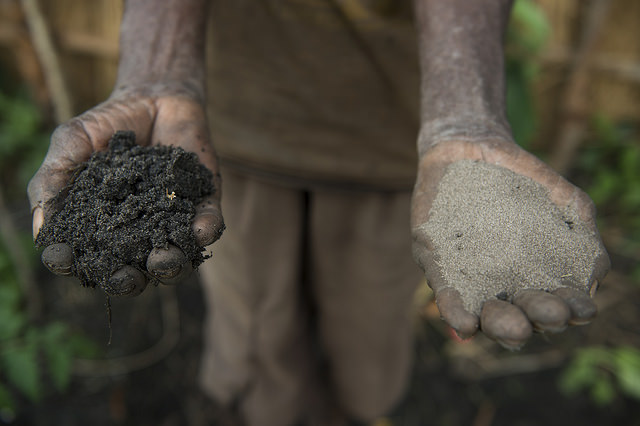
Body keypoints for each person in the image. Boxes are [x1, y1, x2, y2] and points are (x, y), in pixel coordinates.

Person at [28, 1, 610, 424]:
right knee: (258, 329)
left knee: (366, 330)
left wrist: (465, 114)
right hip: (228, 134)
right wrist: (156, 72)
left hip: (399, 149)